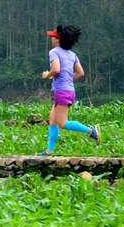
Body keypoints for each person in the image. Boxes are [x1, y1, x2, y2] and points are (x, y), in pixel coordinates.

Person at [39, 25, 101, 155]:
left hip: (61, 91)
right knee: (52, 120)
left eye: (53, 37)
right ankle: (50, 150)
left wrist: (47, 75)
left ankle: (91, 131)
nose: (51, 38)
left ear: (59, 40)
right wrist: (67, 79)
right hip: (69, 90)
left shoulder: (54, 52)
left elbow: (56, 69)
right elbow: (81, 73)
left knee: (62, 123)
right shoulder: (72, 54)